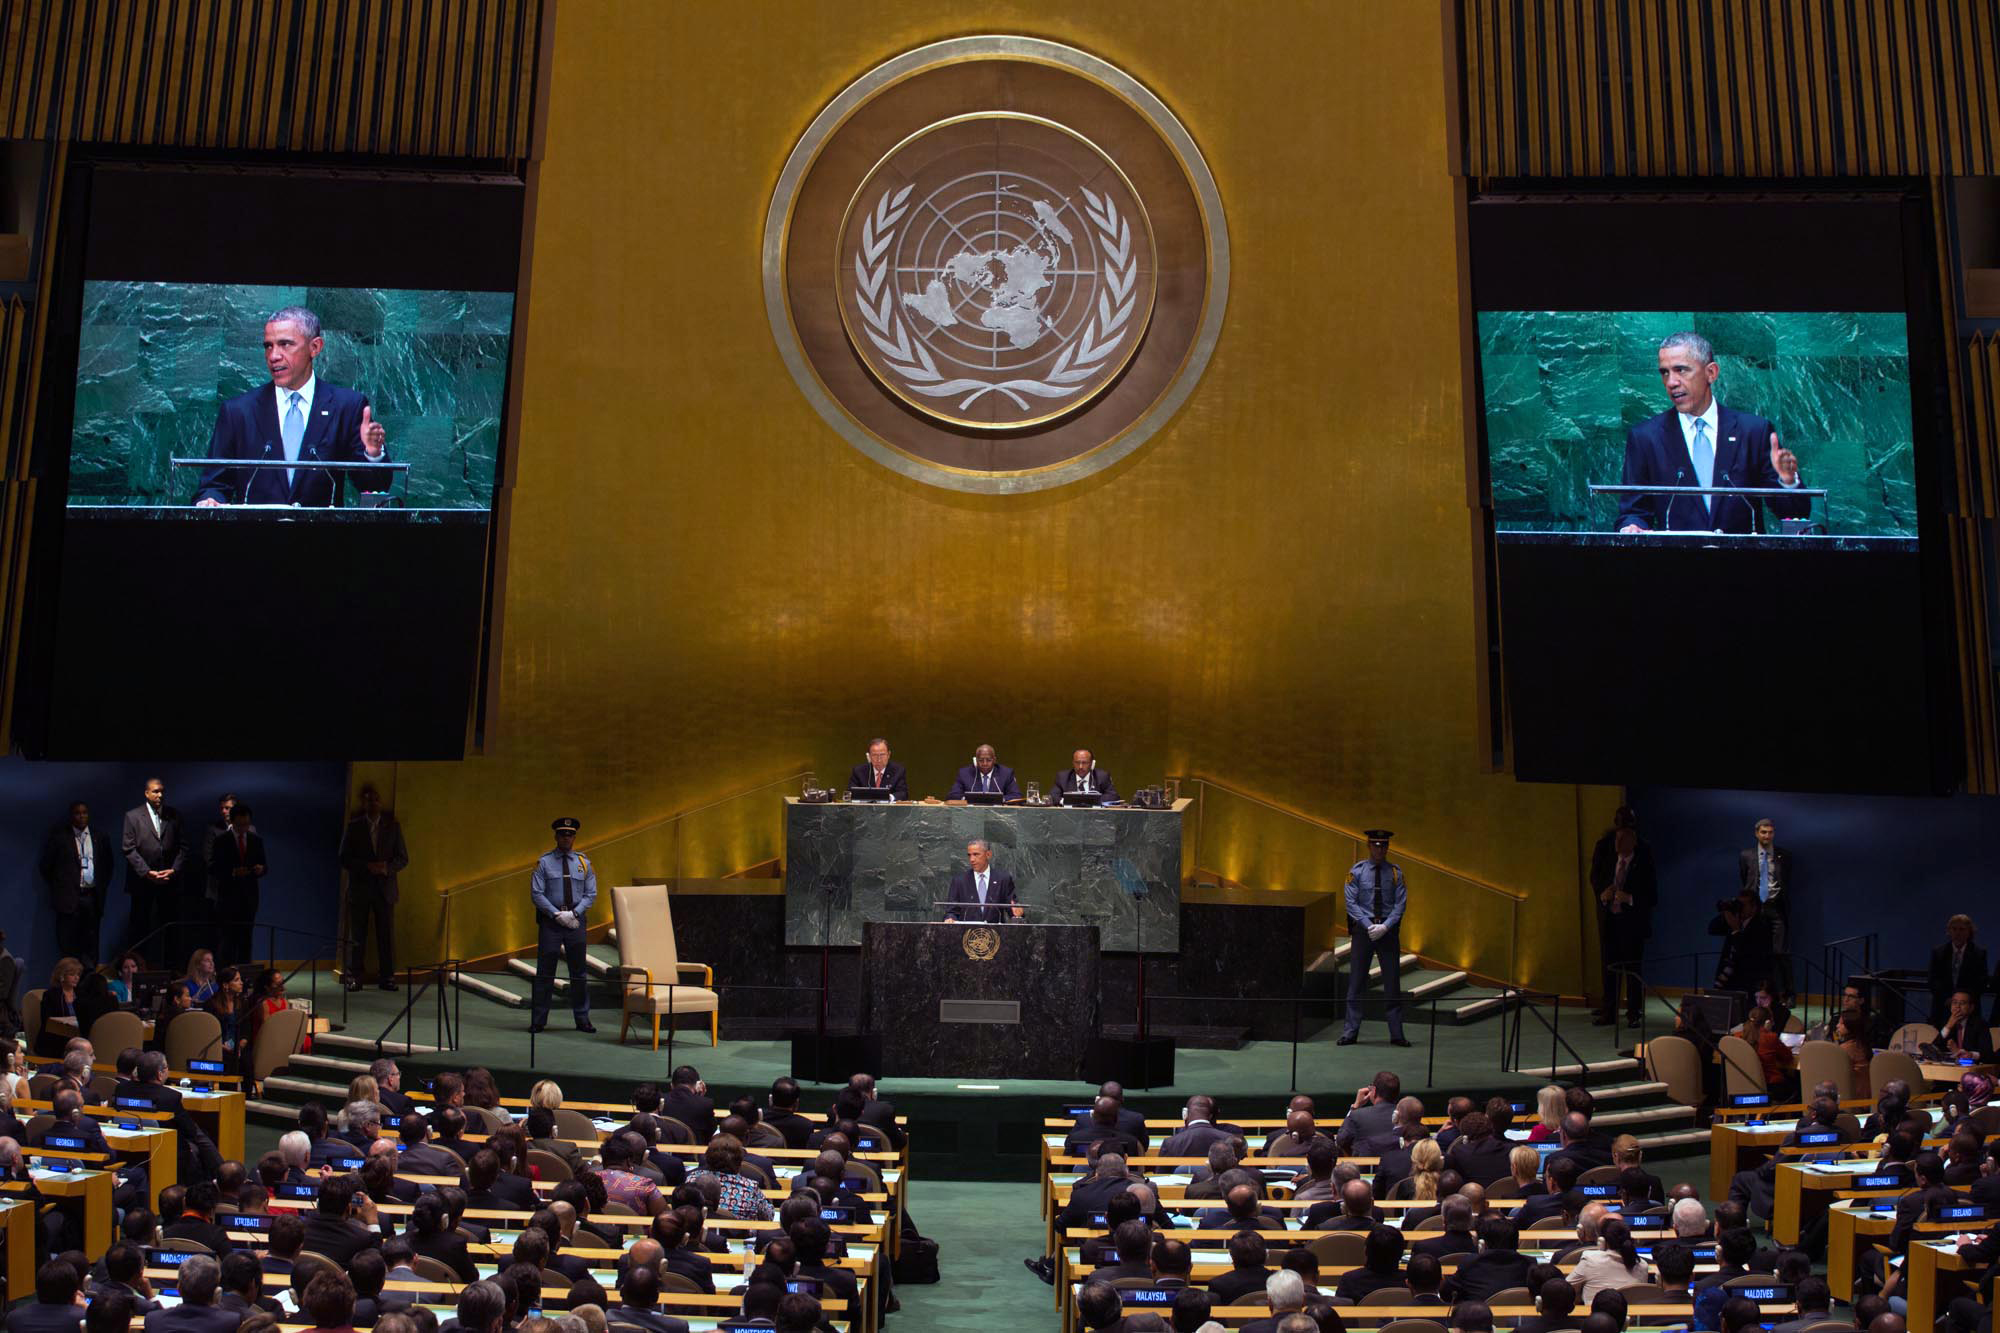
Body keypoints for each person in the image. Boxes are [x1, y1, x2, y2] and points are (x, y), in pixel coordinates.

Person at [194, 306, 390, 507]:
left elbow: (375, 486)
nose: (273, 356)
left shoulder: (347, 406)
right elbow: (214, 485)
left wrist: (373, 455)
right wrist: (210, 501)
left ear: (315, 347)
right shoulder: (238, 411)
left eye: (285, 344)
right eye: (268, 346)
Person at [1616, 331, 1808, 535]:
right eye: (1665, 372)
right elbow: (1633, 511)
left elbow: (1794, 513)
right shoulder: (1646, 437)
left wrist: (1787, 481)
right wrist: (1631, 527)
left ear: (1711, 373)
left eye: (1681, 370)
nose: (1671, 382)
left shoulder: (1753, 431)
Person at [1340, 830, 1409, 1046]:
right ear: (1369, 846)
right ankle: (1350, 1032)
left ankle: (1397, 1034)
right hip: (1364, 930)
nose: (1380, 849)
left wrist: (1386, 926)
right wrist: (1369, 926)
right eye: (1376, 845)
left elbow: (1400, 904)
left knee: (1392, 983)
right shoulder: (1357, 872)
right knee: (1357, 982)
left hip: (1387, 931)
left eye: (1383, 846)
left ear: (1387, 848)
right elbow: (1351, 902)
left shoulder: (1396, 873)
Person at [338, 787, 409, 992]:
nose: (374, 804)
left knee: (386, 935)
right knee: (357, 936)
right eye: (369, 800)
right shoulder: (353, 827)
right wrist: (366, 866)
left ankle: (387, 977)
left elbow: (403, 858)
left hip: (385, 889)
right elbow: (343, 857)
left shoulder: (393, 827)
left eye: (377, 800)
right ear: (364, 803)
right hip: (360, 888)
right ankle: (355, 977)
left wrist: (386, 867)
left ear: (381, 802)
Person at [529, 817, 596, 1034]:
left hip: (576, 921)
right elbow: (537, 894)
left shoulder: (583, 862)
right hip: (551, 922)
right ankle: (539, 1019)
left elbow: (590, 893)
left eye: (570, 834)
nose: (566, 838)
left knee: (579, 973)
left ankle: (582, 1019)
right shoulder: (544, 862)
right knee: (545, 972)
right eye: (562, 834)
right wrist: (556, 914)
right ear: (556, 836)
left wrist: (574, 913)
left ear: (574, 837)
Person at [1591, 825, 1655, 1026]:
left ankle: (1634, 1013)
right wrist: (1603, 897)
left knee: (1633, 971)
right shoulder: (1609, 862)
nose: (1617, 844)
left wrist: (1630, 898)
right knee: (1609, 969)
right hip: (1610, 923)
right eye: (1616, 840)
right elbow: (1597, 886)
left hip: (1632, 926)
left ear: (1633, 842)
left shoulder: (1643, 863)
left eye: (1623, 840)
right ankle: (1609, 1012)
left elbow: (1653, 896)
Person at [42, 802, 114, 965]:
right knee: (68, 945)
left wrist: (99, 888)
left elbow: (108, 866)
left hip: (92, 898)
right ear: (71, 816)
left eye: (84, 813)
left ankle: (89, 983)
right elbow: (46, 867)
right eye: (77, 813)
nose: (81, 816)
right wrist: (61, 888)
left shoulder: (99, 837)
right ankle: (69, 982)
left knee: (91, 944)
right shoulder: (60, 838)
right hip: (69, 900)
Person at [121, 777, 186, 953]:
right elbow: (128, 849)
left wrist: (174, 869)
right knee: (140, 926)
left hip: (169, 881)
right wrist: (147, 872)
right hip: (143, 882)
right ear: (146, 793)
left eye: (162, 791)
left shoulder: (174, 815)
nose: (160, 794)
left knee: (171, 927)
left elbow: (183, 846)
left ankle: (172, 970)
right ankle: (138, 968)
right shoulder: (133, 816)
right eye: (156, 791)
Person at [1739, 817, 1796, 996]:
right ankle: (1755, 992)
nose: (1767, 835)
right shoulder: (1746, 855)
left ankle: (1787, 994)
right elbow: (1744, 878)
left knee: (1780, 953)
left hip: (1776, 907)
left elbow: (1786, 880)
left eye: (1770, 832)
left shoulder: (1784, 855)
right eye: (1763, 832)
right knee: (1754, 953)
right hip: (1755, 909)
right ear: (1757, 833)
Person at [210, 803, 267, 969]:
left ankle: (244, 978)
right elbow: (212, 868)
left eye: (247, 824)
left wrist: (260, 869)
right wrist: (233, 873)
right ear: (233, 822)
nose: (244, 828)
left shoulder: (256, 840)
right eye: (240, 824)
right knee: (227, 941)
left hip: (249, 898)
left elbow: (265, 866)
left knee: (246, 940)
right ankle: (225, 977)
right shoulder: (222, 840)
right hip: (228, 898)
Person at [942, 839, 1022, 923]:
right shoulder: (959, 881)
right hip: (968, 934)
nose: (972, 859)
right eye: (969, 855)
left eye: (976, 854)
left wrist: (1017, 914)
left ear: (988, 854)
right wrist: (950, 918)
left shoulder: (1003, 879)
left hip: (995, 934)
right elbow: (951, 911)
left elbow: (1013, 909)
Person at [1929, 916, 1988, 1029]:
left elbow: (1981, 981)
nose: (1957, 933)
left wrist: (1962, 1002)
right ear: (1949, 931)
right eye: (1954, 929)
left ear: (1969, 932)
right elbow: (1933, 980)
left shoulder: (1979, 953)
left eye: (1961, 929)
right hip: (1942, 1008)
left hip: (1968, 1009)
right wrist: (1948, 999)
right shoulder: (1938, 952)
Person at [948, 744, 1022, 801]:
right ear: (976, 760)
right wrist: (970, 800)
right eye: (981, 760)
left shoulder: (1006, 773)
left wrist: (998, 800)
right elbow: (953, 795)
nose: (985, 763)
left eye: (989, 760)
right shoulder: (964, 773)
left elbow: (1016, 795)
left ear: (994, 760)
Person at [1939, 990, 1996, 1060]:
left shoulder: (1979, 1024)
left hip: (1971, 1067)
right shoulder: (1945, 1022)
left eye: (1962, 1003)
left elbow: (1988, 1054)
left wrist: (1970, 1054)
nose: (1957, 1006)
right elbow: (1933, 1049)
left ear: (1971, 1008)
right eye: (1954, 1002)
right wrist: (1948, 1027)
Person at [1051, 748, 1119, 804]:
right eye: (1077, 763)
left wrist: (1089, 800)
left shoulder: (1102, 776)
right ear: (1073, 763)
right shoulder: (1063, 777)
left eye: (1084, 763)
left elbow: (1113, 796)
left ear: (1092, 763)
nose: (1080, 767)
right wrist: (1068, 801)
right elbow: (1053, 796)